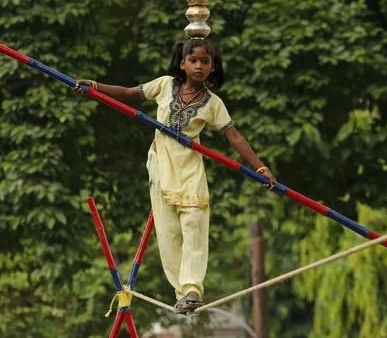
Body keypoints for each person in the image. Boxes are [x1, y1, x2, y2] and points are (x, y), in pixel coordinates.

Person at [74, 39, 277, 314]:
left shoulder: (213, 103)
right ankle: (182, 293)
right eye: (193, 60)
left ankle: (193, 288)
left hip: (190, 168)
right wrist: (95, 87)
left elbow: (234, 136)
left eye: (205, 62)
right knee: (168, 231)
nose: (199, 66)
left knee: (194, 223)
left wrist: (260, 168)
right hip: (162, 164)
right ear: (182, 63)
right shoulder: (165, 85)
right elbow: (130, 92)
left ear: (212, 66)